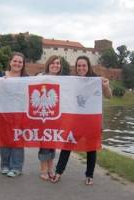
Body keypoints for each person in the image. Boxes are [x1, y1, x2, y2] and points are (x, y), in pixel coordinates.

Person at [51, 55, 112, 185]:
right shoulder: (72, 81)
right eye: (79, 65)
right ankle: (58, 172)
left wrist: (106, 86)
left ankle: (89, 175)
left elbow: (109, 96)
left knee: (91, 148)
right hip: (74, 120)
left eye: (84, 65)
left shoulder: (96, 80)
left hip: (91, 120)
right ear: (76, 67)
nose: (81, 68)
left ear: (88, 66)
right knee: (67, 146)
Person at [0, 52, 27, 178]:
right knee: (4, 139)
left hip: (20, 113)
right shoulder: (0, 76)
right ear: (10, 62)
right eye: (15, 61)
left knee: (17, 139)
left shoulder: (27, 78)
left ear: (23, 64)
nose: (17, 64)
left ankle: (16, 167)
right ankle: (5, 165)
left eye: (20, 62)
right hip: (3, 112)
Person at [37, 55, 64, 181]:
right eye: (53, 63)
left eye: (58, 63)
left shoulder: (63, 80)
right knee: (44, 143)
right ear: (48, 64)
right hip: (42, 116)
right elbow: (24, 84)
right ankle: (43, 169)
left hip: (56, 116)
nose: (55, 65)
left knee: (53, 142)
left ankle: (50, 168)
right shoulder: (40, 77)